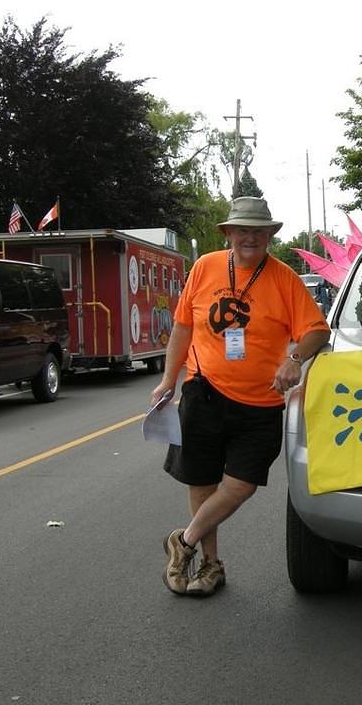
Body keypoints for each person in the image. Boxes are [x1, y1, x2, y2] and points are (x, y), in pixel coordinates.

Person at [151, 196, 330, 597]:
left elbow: (318, 330)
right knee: (201, 479)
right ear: (228, 233)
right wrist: (168, 380)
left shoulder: (285, 278)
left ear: (269, 235)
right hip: (204, 390)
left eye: (258, 230)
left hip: (261, 402)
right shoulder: (204, 267)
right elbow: (182, 328)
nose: (250, 237)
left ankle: (184, 540)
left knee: (242, 484)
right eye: (242, 229)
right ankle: (209, 566)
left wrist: (295, 359)